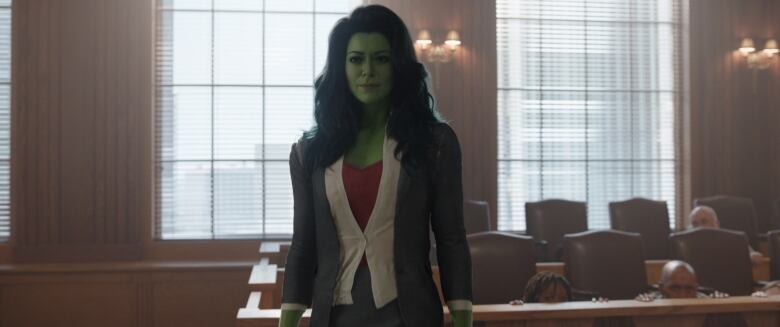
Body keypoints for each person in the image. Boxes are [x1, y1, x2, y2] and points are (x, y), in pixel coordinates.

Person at [278, 5, 472, 327]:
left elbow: (451, 239)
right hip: (334, 317)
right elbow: (302, 247)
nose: (368, 70)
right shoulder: (308, 152)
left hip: (411, 316)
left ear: (398, 66)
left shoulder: (435, 144)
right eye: (356, 59)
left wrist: (463, 320)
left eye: (380, 59)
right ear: (342, 67)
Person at [687, 206, 764, 264]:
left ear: (716, 224)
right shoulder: (685, 246)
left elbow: (755, 256)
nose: (699, 227)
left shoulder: (734, 240)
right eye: (695, 224)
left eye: (704, 222)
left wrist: (752, 256)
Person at [635, 260, 726, 301]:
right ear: (661, 288)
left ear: (696, 288)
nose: (683, 296)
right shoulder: (650, 302)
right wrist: (640, 306)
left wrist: (721, 307)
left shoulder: (708, 302)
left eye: (689, 289)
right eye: (675, 289)